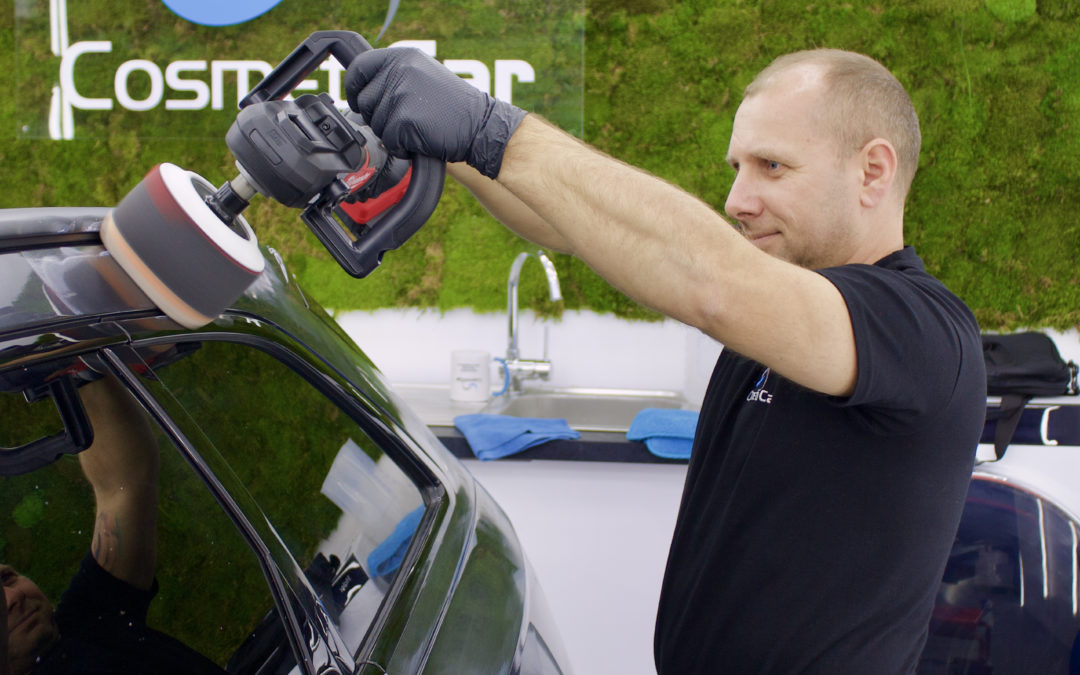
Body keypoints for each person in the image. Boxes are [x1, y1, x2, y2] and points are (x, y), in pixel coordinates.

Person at [343, 46, 987, 673]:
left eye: (771, 167)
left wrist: (491, 129)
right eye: (738, 167)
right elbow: (577, 223)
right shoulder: (777, 300)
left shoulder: (924, 330)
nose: (738, 199)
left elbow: (714, 282)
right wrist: (447, 145)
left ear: (872, 170)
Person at [2, 375, 224, 675]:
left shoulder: (88, 623)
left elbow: (125, 483)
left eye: (9, 579)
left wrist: (75, 365)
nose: (14, 598)